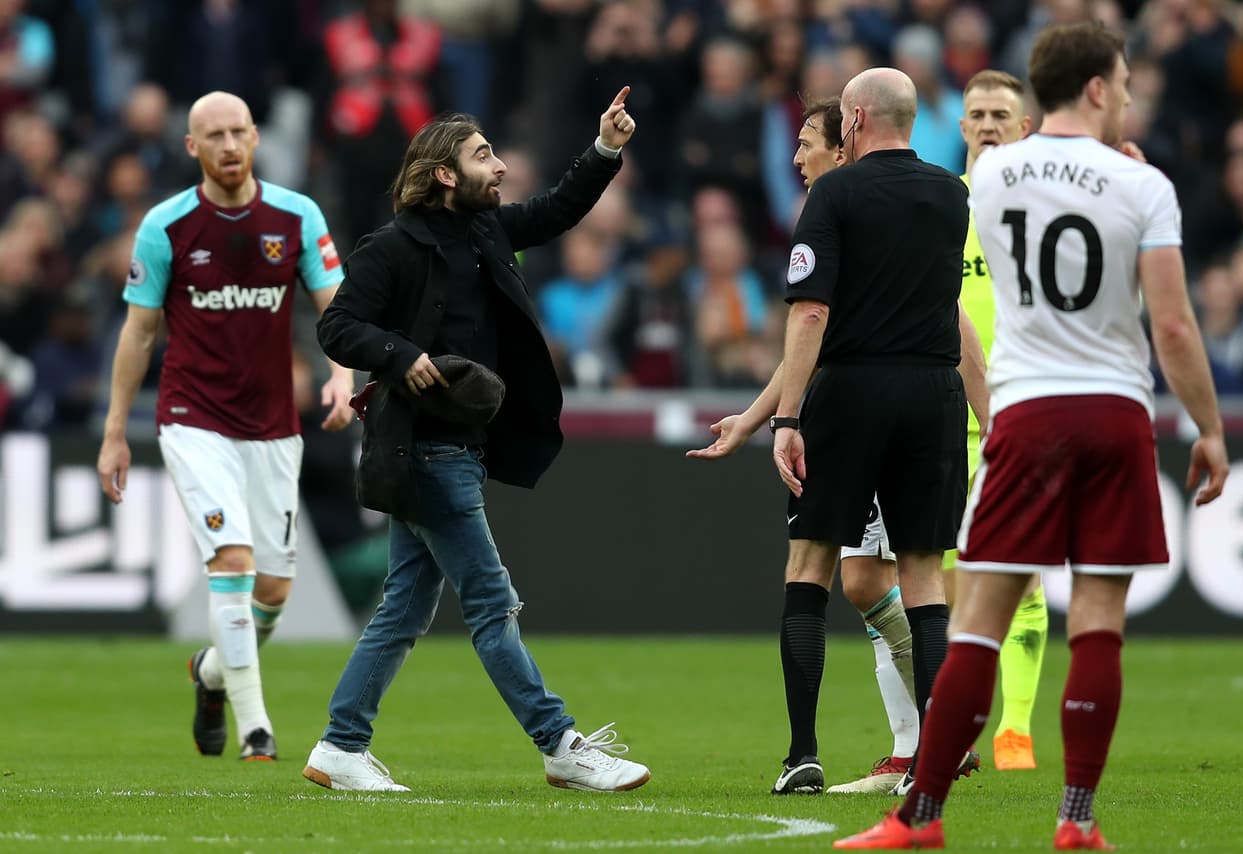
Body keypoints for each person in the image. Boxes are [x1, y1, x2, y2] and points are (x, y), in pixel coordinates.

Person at [833, 23, 1229, 850]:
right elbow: (1178, 330)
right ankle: (1077, 820)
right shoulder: (1139, 182)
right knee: (1097, 616)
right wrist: (1211, 429)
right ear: (1094, 88)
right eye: (1120, 82)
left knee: (978, 616)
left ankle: (921, 815)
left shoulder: (989, 176)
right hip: (1116, 411)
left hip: (1023, 411)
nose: (1126, 96)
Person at [303, 91, 652, 794]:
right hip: (423, 451)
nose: (498, 167)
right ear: (442, 174)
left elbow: (555, 211)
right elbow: (336, 327)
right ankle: (559, 742)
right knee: (493, 605)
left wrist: (606, 148)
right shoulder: (393, 246)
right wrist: (400, 355)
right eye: (482, 155)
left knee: (403, 608)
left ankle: (341, 745)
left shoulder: (487, 230)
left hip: (457, 447)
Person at [96, 91, 355, 761]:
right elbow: (139, 332)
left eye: (239, 132)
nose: (229, 145)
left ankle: (211, 675)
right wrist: (115, 429)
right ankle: (257, 729)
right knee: (232, 563)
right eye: (214, 136)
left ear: (257, 136)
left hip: (273, 424)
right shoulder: (166, 226)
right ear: (192, 147)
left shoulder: (296, 216)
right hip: (193, 419)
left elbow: (337, 307)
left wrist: (343, 374)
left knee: (272, 588)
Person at [688, 96, 921, 796]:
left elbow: (813, 332)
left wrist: (777, 422)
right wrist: (758, 417)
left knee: (839, 576)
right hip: (861, 410)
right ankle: (918, 740)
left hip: (855, 419)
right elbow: (806, 348)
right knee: (862, 581)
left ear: (844, 144)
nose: (795, 158)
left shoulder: (841, 214)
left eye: (806, 144)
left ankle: (916, 736)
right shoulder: (875, 211)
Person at [769, 67, 973, 799]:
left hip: (852, 391)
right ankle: (933, 758)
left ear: (853, 120)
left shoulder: (835, 192)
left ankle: (802, 754)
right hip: (933, 393)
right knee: (922, 574)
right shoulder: (953, 193)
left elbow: (811, 313)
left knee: (810, 567)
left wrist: (788, 417)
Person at [945, 69, 1047, 773]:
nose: (986, 122)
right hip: (941, 419)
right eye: (975, 112)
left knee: (1024, 578)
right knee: (947, 583)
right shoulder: (937, 202)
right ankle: (965, 726)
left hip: (1017, 414)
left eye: (999, 113)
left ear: (1024, 128)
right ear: (961, 128)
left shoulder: (1045, 212)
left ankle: (1015, 728)